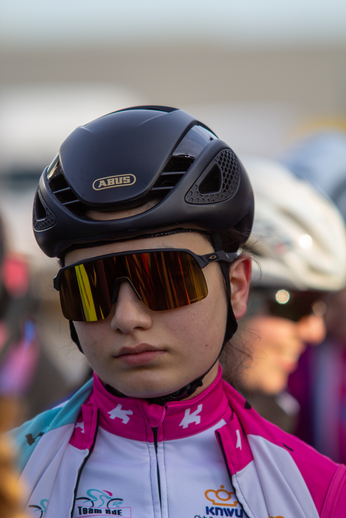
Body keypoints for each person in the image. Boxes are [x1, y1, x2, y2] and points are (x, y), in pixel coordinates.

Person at [10, 106, 346, 518]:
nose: (127, 318)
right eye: (90, 289)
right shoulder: (11, 476)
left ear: (237, 286)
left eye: (166, 280)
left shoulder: (323, 492)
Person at [226, 157, 346, 434]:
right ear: (233, 289)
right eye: (297, 305)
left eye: (320, 305)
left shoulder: (276, 415)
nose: (315, 331)